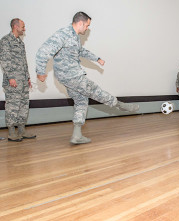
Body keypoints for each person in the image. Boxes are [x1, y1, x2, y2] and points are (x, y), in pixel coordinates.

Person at [36, 12, 139, 145]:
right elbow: (43, 52)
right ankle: (121, 105)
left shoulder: (74, 37)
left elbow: (80, 51)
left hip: (68, 77)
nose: (87, 29)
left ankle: (77, 135)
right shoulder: (63, 34)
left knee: (81, 101)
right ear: (80, 23)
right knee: (96, 91)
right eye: (87, 26)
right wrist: (40, 72)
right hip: (72, 76)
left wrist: (97, 58)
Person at [0, 18, 36, 142]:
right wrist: (11, 77)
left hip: (23, 81)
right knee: (12, 105)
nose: (24, 29)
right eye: (23, 27)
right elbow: (5, 60)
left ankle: (22, 130)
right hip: (13, 81)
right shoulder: (6, 41)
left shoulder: (20, 43)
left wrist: (28, 77)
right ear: (15, 26)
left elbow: (24, 62)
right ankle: (11, 132)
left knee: (23, 105)